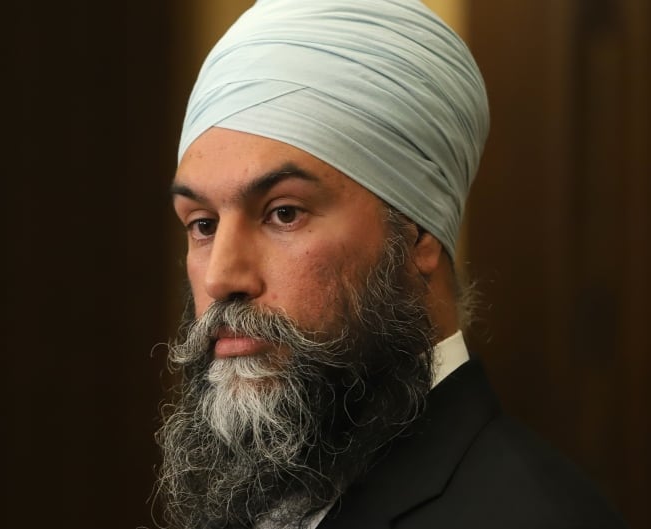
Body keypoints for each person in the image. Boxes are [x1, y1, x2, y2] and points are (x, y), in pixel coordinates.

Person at [154, 1, 627, 527]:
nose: (221, 277)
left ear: (417, 231)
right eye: (202, 224)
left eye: (283, 213)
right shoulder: (273, 499)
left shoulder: (531, 515)